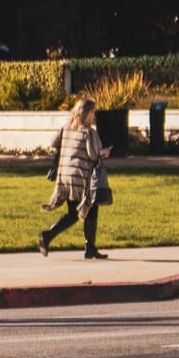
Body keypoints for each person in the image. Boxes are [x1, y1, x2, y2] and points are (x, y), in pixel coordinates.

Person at [39, 97, 111, 260]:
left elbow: (53, 142)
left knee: (78, 211)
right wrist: (104, 152)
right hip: (81, 176)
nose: (94, 115)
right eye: (93, 112)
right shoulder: (88, 132)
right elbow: (93, 154)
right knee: (86, 209)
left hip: (65, 176)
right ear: (87, 113)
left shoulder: (66, 128)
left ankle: (89, 247)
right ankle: (48, 236)